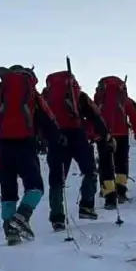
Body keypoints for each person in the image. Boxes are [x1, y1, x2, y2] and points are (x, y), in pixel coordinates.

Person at [0, 65, 61, 245]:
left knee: (8, 191)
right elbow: (48, 119)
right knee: (35, 186)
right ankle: (22, 215)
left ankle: (10, 231)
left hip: (1, 148)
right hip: (25, 145)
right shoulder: (32, 96)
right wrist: (55, 139)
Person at [41, 69, 111, 229]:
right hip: (77, 135)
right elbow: (95, 115)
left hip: (56, 137)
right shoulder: (78, 95)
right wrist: (105, 134)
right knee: (90, 170)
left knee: (57, 179)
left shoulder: (46, 96)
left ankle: (57, 218)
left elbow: (39, 117)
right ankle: (86, 206)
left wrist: (42, 138)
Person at [94, 76, 136, 209]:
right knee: (121, 163)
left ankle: (109, 198)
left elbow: (92, 116)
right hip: (121, 134)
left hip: (103, 136)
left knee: (106, 165)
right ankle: (121, 192)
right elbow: (134, 117)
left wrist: (92, 134)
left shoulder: (98, 100)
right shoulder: (124, 100)